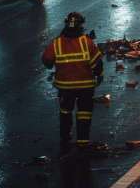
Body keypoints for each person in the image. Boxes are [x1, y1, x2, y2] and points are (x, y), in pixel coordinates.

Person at [42, 12, 103, 152]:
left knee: (65, 112)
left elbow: (46, 61)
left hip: (65, 87)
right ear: (81, 25)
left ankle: (65, 138)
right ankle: (82, 142)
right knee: (84, 114)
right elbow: (97, 64)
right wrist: (99, 76)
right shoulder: (86, 42)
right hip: (86, 87)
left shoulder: (56, 43)